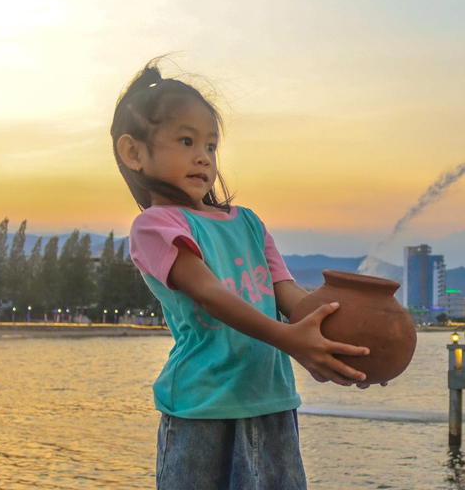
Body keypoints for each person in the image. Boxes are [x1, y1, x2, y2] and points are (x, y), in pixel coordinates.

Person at [112, 60, 374, 490]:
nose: (203, 156)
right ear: (134, 152)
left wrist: (346, 340)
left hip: (271, 401)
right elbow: (209, 292)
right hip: (202, 408)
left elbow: (288, 294)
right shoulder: (156, 226)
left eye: (211, 146)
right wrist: (289, 339)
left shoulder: (248, 223)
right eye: (186, 140)